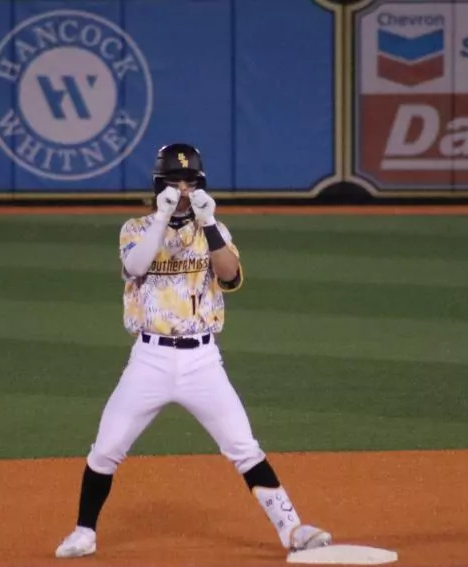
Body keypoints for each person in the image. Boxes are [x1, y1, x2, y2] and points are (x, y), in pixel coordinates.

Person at [54, 143, 332, 558]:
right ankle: (84, 532)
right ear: (158, 184)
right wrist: (162, 217)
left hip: (202, 361)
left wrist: (210, 222)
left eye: (189, 181)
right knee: (107, 448)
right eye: (173, 181)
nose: (182, 189)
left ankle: (292, 530)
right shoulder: (135, 228)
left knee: (244, 447)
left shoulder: (212, 228)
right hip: (149, 359)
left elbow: (230, 275)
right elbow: (135, 266)